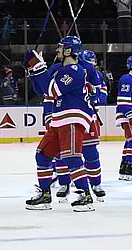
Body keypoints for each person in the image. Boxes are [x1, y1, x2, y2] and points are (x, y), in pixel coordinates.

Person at [25, 36, 96, 212]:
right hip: (60, 118)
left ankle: (85, 196)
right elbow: (42, 90)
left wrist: (40, 68)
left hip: (72, 117)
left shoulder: (74, 70)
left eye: (61, 48)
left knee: (71, 158)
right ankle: (45, 194)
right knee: (42, 155)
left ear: (69, 51)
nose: (57, 51)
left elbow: (52, 91)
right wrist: (33, 69)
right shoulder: (62, 70)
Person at [79, 50, 108, 201]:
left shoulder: (96, 76)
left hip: (89, 117)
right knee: (67, 153)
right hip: (73, 117)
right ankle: (68, 181)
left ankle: (96, 183)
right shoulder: (70, 72)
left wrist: (95, 96)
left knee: (90, 151)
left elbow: (103, 94)